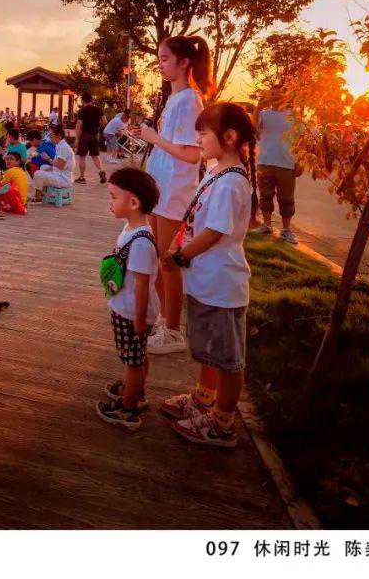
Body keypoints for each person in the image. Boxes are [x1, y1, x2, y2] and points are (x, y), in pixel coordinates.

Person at [159, 101, 257, 449]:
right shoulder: (217, 171)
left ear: (228, 137)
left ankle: (222, 422)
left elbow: (214, 231)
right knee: (211, 350)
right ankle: (204, 398)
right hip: (207, 280)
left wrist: (180, 256)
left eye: (203, 133)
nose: (197, 138)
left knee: (228, 359)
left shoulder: (230, 183)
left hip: (222, 284)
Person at [127, 35, 211, 356]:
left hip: (174, 190)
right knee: (157, 256)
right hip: (161, 186)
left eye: (165, 59)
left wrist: (153, 138)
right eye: (159, 59)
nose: (160, 65)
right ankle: (165, 319)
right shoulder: (176, 98)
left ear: (184, 62)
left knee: (166, 260)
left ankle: (174, 330)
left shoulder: (189, 100)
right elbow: (170, 144)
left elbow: (191, 154)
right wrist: (146, 136)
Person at [96, 167, 160, 431]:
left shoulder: (142, 242)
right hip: (126, 308)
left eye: (114, 197)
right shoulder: (131, 228)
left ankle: (128, 407)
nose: (110, 202)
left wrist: (139, 320)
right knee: (135, 355)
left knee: (133, 361)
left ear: (133, 203)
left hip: (132, 313)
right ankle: (136, 391)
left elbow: (143, 285)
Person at [255, 91, 299, 245]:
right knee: (265, 196)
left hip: (287, 163)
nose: (275, 97)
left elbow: (300, 141)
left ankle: (286, 230)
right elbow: (253, 130)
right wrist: (258, 107)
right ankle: (267, 226)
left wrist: (299, 162)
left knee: (286, 199)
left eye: (278, 94)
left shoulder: (294, 117)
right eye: (272, 94)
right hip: (265, 162)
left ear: (285, 96)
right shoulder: (263, 114)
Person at [32, 122, 75, 200]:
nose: (50, 137)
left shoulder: (63, 147)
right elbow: (58, 165)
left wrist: (48, 159)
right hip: (60, 174)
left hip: (63, 178)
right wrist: (49, 168)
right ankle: (43, 193)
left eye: (51, 135)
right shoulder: (59, 145)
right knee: (43, 167)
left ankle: (38, 197)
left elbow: (60, 166)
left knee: (38, 174)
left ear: (58, 136)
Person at [0, 151, 30, 216]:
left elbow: (1, 188)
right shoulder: (21, 171)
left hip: (14, 202)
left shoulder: (11, 171)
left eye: (11, 159)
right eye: (7, 159)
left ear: (18, 162)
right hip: (22, 202)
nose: (8, 161)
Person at [74, 93, 106, 184]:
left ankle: (82, 178)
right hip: (95, 135)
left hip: (84, 136)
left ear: (82, 101)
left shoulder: (82, 111)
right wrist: (97, 126)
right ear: (91, 100)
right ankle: (101, 171)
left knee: (82, 157)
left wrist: (77, 139)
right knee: (95, 156)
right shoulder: (98, 110)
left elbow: (79, 125)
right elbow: (104, 122)